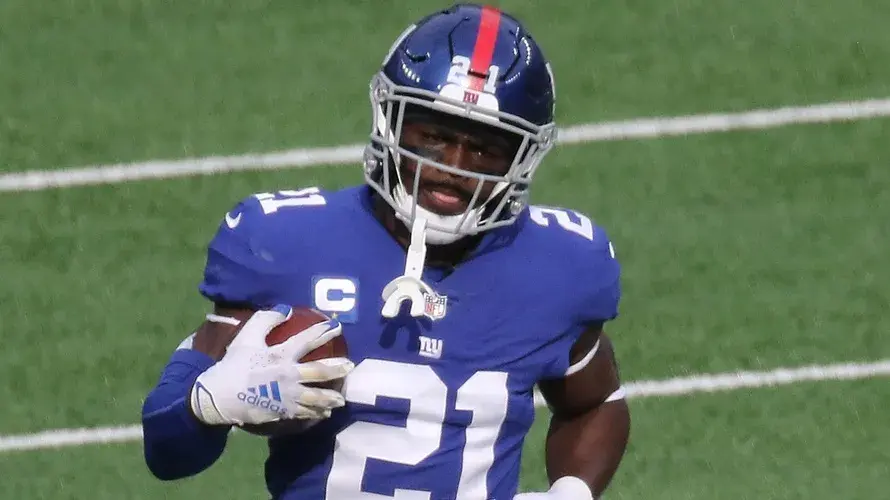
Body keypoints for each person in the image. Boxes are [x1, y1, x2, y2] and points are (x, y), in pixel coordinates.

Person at [141, 4, 630, 499]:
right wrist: (208, 403)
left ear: (524, 156)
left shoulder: (558, 269)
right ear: (390, 121)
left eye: (485, 149)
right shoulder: (284, 245)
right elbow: (165, 453)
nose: (454, 167)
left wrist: (572, 492)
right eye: (434, 136)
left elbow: (594, 402)